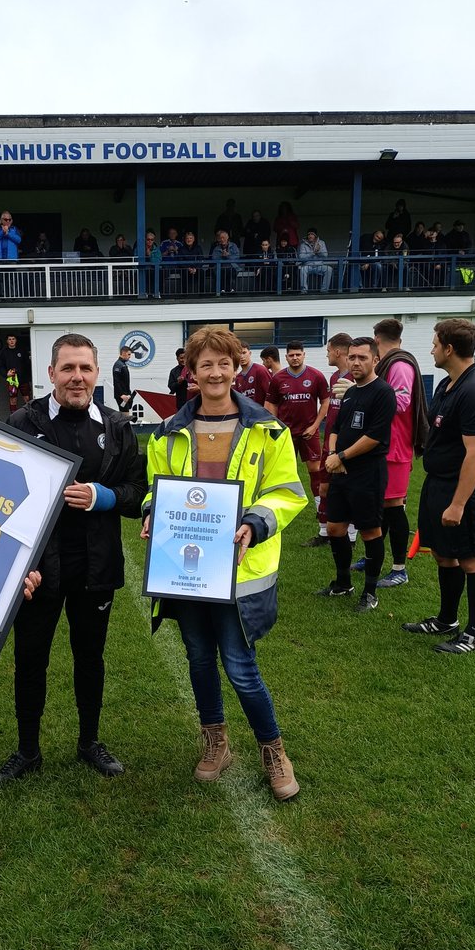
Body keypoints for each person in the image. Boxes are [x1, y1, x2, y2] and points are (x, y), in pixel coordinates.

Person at [142, 324, 306, 798]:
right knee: (197, 658)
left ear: (237, 368)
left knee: (239, 666)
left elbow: (287, 492)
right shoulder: (167, 433)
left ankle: (273, 750)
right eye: (204, 364)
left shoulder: (269, 432)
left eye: (223, 363)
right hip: (186, 569)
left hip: (241, 570)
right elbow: (159, 487)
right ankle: (216, 741)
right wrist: (155, 513)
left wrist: (255, 523)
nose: (214, 372)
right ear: (190, 372)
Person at [0, 333, 146, 787]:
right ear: (52, 373)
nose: (77, 377)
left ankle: (89, 741)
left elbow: (137, 494)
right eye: (68, 368)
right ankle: (27, 750)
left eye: (85, 369)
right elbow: (0, 494)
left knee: (90, 657)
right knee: (30, 657)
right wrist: (20, 560)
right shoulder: (23, 420)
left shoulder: (116, 426)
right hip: (37, 568)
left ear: (96, 374)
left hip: (96, 566)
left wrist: (104, 496)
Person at [402, 319, 475, 653]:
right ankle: (446, 620)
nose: (431, 349)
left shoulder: (474, 390)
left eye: (435, 343)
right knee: (444, 555)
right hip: (437, 484)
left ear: (449, 348)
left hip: (462, 490)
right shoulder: (448, 384)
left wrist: (458, 504)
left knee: (472, 558)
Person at [317, 337, 396, 612]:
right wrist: (332, 454)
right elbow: (335, 426)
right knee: (336, 528)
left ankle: (370, 592)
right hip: (341, 471)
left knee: (370, 531)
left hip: (367, 474)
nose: (356, 362)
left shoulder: (383, 392)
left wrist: (341, 456)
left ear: (375, 360)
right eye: (352, 357)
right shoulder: (350, 392)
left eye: (362, 357)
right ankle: (343, 583)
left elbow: (375, 436)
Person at [371, 319, 429, 587]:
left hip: (395, 448)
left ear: (376, 339)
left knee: (394, 506)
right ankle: (374, 558)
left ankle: (399, 568)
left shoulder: (400, 365)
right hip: (384, 445)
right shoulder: (391, 362)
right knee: (382, 505)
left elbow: (402, 402)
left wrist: (368, 394)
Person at [264, 341, 329, 539]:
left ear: (304, 355)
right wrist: (277, 425)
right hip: (286, 434)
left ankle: (321, 510)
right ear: (286, 357)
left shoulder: (316, 376)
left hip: (309, 433)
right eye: (291, 355)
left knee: (315, 471)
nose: (295, 358)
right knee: (283, 472)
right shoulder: (278, 379)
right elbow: (270, 403)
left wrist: (316, 425)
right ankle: (282, 509)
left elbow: (326, 401)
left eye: (298, 354)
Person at [307, 332, 353, 548]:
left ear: (337, 351)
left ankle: (350, 537)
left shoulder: (356, 378)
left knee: (346, 491)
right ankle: (324, 532)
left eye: (328, 351)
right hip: (329, 443)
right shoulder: (335, 378)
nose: (327, 355)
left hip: (347, 446)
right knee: (324, 488)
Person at [0, 334, 31, 413]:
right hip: (12, 380)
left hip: (23, 379)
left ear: (16, 340)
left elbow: (28, 365)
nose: (11, 341)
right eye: (10, 339)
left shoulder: (21, 351)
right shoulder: (4, 353)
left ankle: (29, 415)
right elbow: (0, 366)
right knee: (13, 399)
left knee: (27, 398)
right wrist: (6, 374)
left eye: (13, 339)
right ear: (7, 341)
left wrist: (29, 377)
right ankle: (13, 417)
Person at [298, 228, 333, 293]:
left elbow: (325, 255)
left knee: (329, 269)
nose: (310, 236)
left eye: (312, 234)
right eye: (309, 234)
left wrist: (319, 251)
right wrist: (312, 253)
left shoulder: (321, 243)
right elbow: (301, 257)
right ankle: (304, 290)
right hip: (308, 265)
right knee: (302, 269)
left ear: (315, 236)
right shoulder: (303, 244)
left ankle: (324, 290)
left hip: (319, 265)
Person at [211, 228, 240, 293]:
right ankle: (222, 289)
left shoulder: (233, 246)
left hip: (232, 266)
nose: (222, 239)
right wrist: (222, 256)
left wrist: (228, 256)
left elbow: (237, 256)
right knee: (223, 270)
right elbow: (214, 258)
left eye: (224, 238)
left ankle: (232, 289)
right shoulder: (216, 248)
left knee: (230, 270)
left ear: (227, 237)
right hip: (220, 267)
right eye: (221, 238)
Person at [112, 345, 134, 412]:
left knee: (126, 415)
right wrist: (121, 395)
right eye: (129, 354)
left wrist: (129, 394)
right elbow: (116, 382)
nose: (130, 356)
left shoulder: (123, 364)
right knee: (124, 416)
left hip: (126, 395)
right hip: (122, 396)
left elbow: (125, 382)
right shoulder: (118, 365)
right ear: (123, 353)